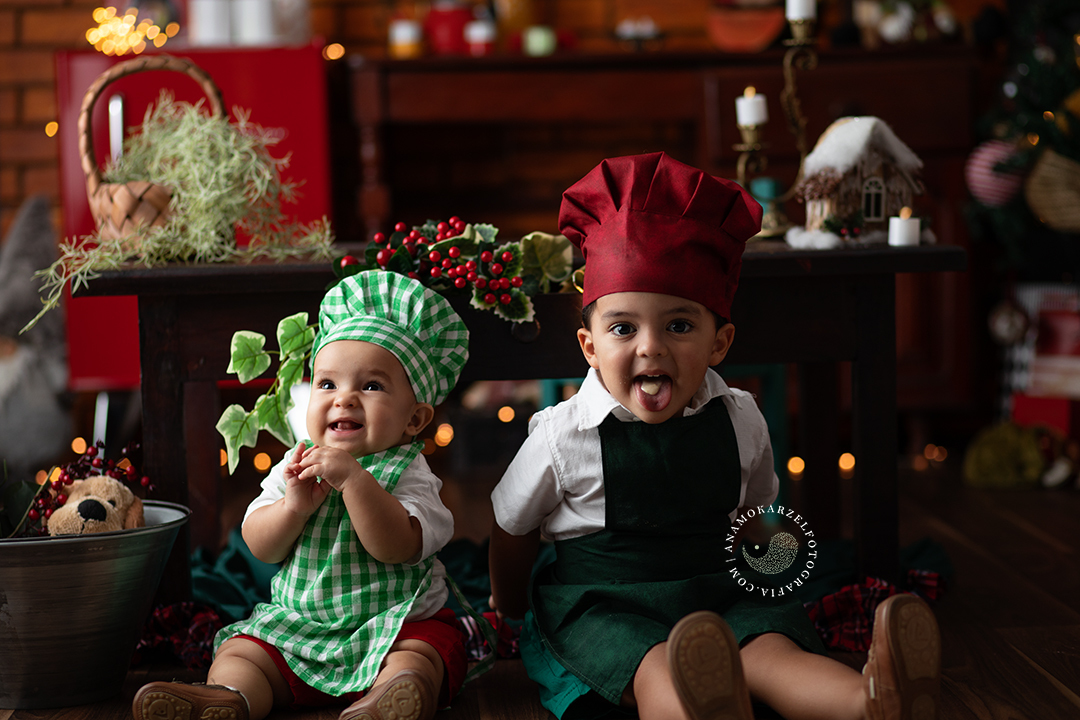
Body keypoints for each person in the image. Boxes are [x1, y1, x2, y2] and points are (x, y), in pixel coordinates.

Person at [487, 152, 941, 720]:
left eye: (679, 325)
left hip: (719, 591)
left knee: (769, 649)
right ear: (590, 347)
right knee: (651, 663)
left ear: (719, 343)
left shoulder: (740, 418)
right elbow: (512, 527)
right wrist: (509, 607)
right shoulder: (563, 435)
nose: (651, 347)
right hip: (605, 605)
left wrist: (774, 583)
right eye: (623, 328)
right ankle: (702, 702)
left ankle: (870, 699)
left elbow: (755, 518)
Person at [134, 271, 470, 720]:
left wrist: (355, 481)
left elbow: (396, 546)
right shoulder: (296, 464)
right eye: (327, 384)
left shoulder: (411, 474)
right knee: (242, 651)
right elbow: (261, 545)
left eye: (371, 386)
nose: (344, 399)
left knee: (427, 651)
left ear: (415, 419)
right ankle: (231, 697)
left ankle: (391, 697)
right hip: (301, 632)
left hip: (393, 625)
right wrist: (291, 506)